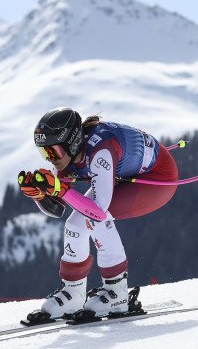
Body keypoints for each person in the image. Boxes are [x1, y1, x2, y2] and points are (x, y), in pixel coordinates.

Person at [18, 107, 179, 319]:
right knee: (74, 224)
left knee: (94, 219)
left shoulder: (101, 149)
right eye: (44, 152)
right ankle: (73, 292)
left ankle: (117, 292)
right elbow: (58, 209)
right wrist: (39, 195)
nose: (50, 159)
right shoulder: (67, 156)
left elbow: (98, 211)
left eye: (53, 152)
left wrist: (60, 189)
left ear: (72, 142)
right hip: (125, 174)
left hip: (157, 178)